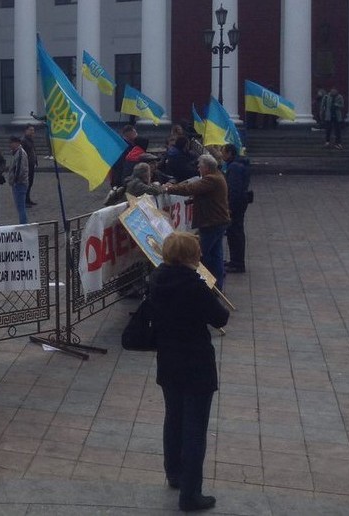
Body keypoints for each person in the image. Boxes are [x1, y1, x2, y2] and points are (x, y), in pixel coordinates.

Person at [147, 231, 229, 512]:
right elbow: (220, 317)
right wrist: (205, 285)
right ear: (190, 257)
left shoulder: (157, 280)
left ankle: (174, 472)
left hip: (168, 360)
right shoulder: (194, 286)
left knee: (174, 418)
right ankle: (191, 494)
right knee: (195, 428)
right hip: (195, 362)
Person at [163, 155, 230, 290]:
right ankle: (217, 285)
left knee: (198, 253)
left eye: (199, 166)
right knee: (216, 254)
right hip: (218, 220)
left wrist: (168, 188)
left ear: (206, 167)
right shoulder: (218, 176)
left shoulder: (211, 179)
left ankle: (203, 285)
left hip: (211, 222)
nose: (198, 169)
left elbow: (190, 189)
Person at [221, 144, 250, 274]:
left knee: (234, 233)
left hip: (236, 206)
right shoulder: (238, 165)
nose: (222, 156)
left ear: (229, 153)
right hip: (241, 203)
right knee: (235, 233)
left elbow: (234, 189)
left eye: (223, 153)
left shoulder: (234, 167)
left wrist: (230, 207)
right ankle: (235, 260)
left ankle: (237, 263)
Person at [7, 137, 30, 225]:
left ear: (16, 143)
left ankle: (23, 225)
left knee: (21, 207)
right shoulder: (16, 152)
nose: (10, 145)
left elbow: (20, 169)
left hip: (19, 184)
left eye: (11, 143)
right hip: (19, 183)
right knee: (20, 206)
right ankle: (23, 223)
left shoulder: (20, 153)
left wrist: (15, 181)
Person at [22, 125, 39, 206]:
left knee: (30, 183)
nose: (33, 132)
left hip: (31, 164)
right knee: (26, 183)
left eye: (33, 130)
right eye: (31, 130)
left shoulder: (31, 140)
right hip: (26, 165)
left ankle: (28, 199)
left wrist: (35, 161)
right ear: (26, 131)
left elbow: (33, 151)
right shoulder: (23, 141)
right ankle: (24, 200)